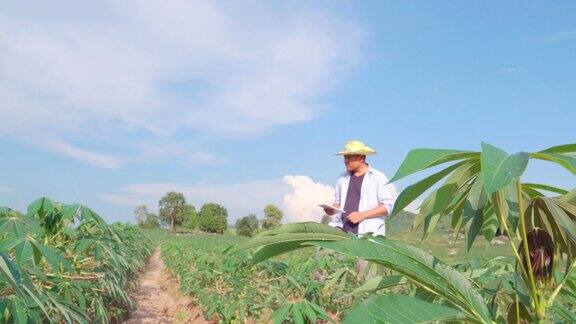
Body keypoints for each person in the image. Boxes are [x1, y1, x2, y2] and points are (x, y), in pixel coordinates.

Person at [323, 140, 396, 276]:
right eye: (345, 158)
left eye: (349, 157)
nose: (346, 161)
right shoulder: (342, 179)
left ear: (361, 158)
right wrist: (331, 209)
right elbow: (338, 203)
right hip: (342, 232)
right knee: (326, 262)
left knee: (366, 276)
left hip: (367, 236)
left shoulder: (378, 177)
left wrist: (362, 215)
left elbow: (387, 206)